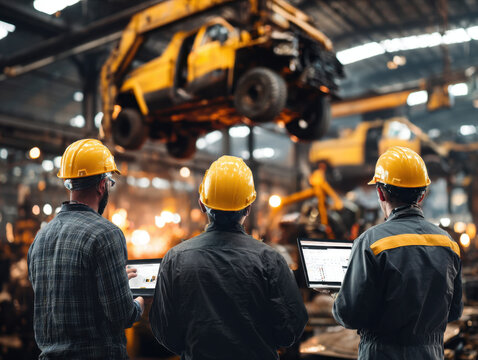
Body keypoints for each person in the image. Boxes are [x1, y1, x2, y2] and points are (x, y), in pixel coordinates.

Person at [149, 155, 308, 360]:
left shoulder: (175, 259)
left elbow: (165, 331)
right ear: (248, 207)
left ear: (202, 204)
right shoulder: (270, 260)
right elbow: (291, 329)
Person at [333, 146, 463, 360]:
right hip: (430, 353)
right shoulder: (449, 244)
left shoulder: (370, 242)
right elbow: (454, 311)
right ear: (422, 195)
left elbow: (350, 315)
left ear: (380, 192)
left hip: (383, 353)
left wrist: (339, 295)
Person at [28, 139, 144, 359]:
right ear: (102, 185)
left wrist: (115, 281)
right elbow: (121, 315)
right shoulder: (106, 234)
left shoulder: (40, 238)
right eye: (109, 182)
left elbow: (62, 296)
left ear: (68, 183)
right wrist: (138, 302)